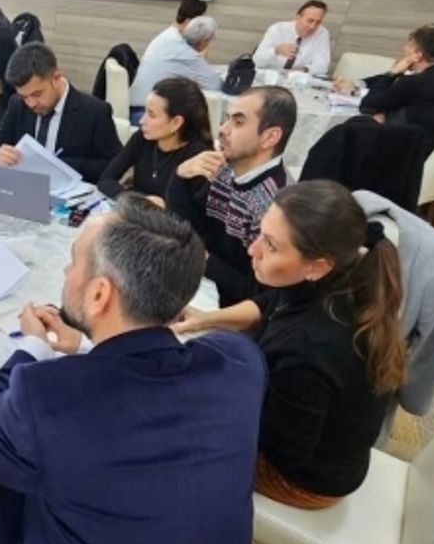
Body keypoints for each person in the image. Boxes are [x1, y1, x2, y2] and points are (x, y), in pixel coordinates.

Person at [0, 194, 267, 544]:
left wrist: (32, 347)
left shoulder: (48, 394)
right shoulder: (239, 361)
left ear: (99, 294)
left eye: (73, 262)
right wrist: (87, 347)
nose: (66, 271)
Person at [172, 181, 405, 509]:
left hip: (305, 479)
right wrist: (206, 319)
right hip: (308, 436)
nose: (253, 250)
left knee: (168, 429)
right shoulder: (336, 276)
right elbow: (272, 304)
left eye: (271, 245)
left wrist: (210, 398)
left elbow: (282, 451)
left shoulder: (312, 348)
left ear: (318, 266)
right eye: (261, 234)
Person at [166, 86, 296, 306]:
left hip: (229, 307)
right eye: (227, 119)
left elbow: (261, 295)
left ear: (270, 137)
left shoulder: (276, 206)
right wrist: (180, 177)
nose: (222, 129)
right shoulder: (225, 166)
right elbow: (187, 225)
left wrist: (204, 260)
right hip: (201, 281)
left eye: (238, 122)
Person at [0, 42, 122, 183]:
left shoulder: (94, 112)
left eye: (37, 94)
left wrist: (62, 165)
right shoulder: (17, 104)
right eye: (24, 96)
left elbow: (114, 165)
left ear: (56, 78)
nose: (31, 103)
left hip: (71, 190)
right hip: (25, 187)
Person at [334, 25, 434, 152]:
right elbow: (390, 89)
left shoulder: (416, 82)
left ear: (417, 56)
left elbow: (368, 104)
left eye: (409, 46)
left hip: (406, 153)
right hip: (432, 148)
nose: (404, 49)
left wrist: (393, 72)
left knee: (345, 131)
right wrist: (359, 85)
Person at [98, 77, 213, 202]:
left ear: (176, 123)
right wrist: (139, 202)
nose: (142, 121)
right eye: (145, 111)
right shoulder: (143, 138)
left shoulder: (198, 158)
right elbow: (106, 179)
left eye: (151, 115)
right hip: (135, 210)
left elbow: (194, 210)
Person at [130, 15, 223, 114]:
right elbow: (215, 85)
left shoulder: (168, 36)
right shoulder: (189, 56)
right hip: (146, 112)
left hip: (134, 105)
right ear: (203, 42)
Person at [253, 0, 331, 76]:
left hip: (297, 78)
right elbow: (257, 61)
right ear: (298, 17)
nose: (312, 26)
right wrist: (276, 50)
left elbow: (323, 65)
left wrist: (304, 69)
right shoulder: (278, 29)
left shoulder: (321, 33)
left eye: (318, 22)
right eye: (310, 21)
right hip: (269, 75)